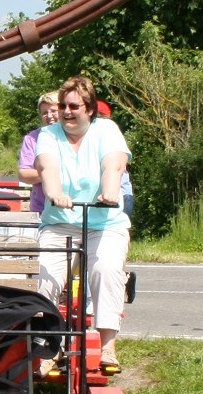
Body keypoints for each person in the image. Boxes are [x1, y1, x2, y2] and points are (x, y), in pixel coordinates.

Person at [34, 76, 132, 373]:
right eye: (63, 105)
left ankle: (107, 346)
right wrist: (54, 194)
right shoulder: (49, 134)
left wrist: (110, 192)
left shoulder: (107, 130)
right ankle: (50, 348)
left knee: (106, 270)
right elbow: (47, 167)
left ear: (89, 108)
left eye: (73, 106)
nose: (66, 111)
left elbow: (113, 164)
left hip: (103, 222)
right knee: (44, 279)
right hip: (60, 222)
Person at [17, 91, 62, 213]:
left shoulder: (75, 135)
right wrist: (54, 173)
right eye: (44, 113)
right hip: (41, 208)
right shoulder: (31, 139)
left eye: (53, 111)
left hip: (74, 208)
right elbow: (24, 174)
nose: (49, 115)